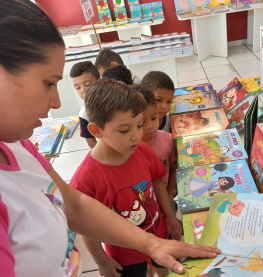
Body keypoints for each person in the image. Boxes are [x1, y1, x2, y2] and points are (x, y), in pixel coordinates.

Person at [0, 1, 220, 276]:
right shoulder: (87, 174)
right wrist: (106, 260)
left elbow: (76, 206)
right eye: (48, 83)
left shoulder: (18, 144)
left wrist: (152, 243)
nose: (56, 102)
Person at [70, 79, 183, 277]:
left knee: (166, 269)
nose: (136, 136)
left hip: (158, 234)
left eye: (139, 125)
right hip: (125, 255)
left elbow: (157, 182)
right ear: (96, 130)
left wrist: (171, 216)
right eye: (124, 130)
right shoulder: (85, 179)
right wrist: (102, 261)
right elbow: (87, 228)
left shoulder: (143, 151)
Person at [133, 85, 178, 201]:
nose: (149, 126)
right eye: (141, 123)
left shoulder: (167, 139)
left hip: (166, 195)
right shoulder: (129, 149)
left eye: (153, 118)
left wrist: (169, 194)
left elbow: (173, 168)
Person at [70, 61, 100, 148]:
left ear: (99, 81)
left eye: (87, 84)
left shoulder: (115, 100)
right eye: (77, 87)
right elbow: (91, 142)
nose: (83, 90)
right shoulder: (84, 114)